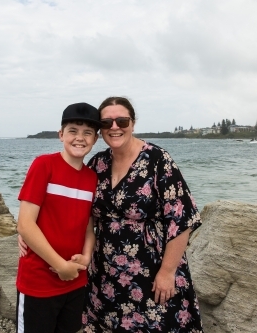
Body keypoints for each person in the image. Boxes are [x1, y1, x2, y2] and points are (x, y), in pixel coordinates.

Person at [82, 96, 204, 332]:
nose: (114, 127)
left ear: (133, 123)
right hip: (105, 273)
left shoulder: (158, 160)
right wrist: (30, 229)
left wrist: (168, 272)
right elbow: (77, 210)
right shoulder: (97, 164)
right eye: (107, 123)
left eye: (122, 121)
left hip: (152, 269)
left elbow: (182, 220)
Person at [15, 102, 100, 333]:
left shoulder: (92, 178)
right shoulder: (44, 165)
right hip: (38, 282)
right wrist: (60, 265)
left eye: (88, 133)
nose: (79, 138)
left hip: (76, 281)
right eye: (73, 130)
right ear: (61, 134)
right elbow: (25, 224)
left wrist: (86, 256)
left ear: (96, 139)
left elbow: (88, 227)